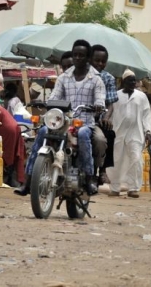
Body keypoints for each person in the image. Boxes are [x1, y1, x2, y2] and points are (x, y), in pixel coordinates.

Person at [14, 39, 106, 196]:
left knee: (84, 134)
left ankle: (90, 178)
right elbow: (55, 97)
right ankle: (28, 181)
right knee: (42, 131)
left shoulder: (96, 79)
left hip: (84, 123)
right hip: (62, 122)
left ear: (88, 58)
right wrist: (48, 104)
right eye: (75, 54)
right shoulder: (63, 78)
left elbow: (100, 100)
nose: (77, 58)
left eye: (81, 55)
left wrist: (97, 106)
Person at [107, 70, 151, 198]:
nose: (133, 82)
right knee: (116, 160)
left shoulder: (141, 96)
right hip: (118, 132)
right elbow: (110, 114)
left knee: (136, 159)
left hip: (136, 133)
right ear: (123, 82)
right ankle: (115, 188)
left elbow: (146, 114)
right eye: (130, 80)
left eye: (134, 80)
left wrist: (148, 131)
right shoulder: (116, 95)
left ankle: (133, 188)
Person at [90, 44, 118, 184]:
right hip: (78, 118)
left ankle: (102, 170)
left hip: (97, 119)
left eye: (103, 61)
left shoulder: (108, 78)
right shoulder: (80, 75)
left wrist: (106, 117)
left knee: (108, 135)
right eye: (97, 60)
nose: (100, 64)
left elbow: (111, 103)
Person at [0, 105, 26, 187]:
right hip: (14, 129)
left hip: (8, 131)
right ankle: (11, 179)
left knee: (3, 154)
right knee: (11, 156)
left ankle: (7, 178)